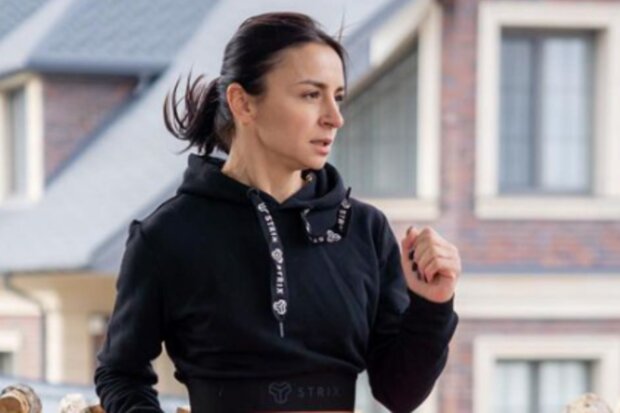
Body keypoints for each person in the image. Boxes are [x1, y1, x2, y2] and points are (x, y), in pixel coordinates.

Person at [94, 11, 461, 413]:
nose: (335, 118)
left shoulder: (365, 230)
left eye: (337, 97)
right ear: (242, 103)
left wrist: (432, 305)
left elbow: (400, 392)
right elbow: (120, 373)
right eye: (311, 95)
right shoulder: (166, 236)